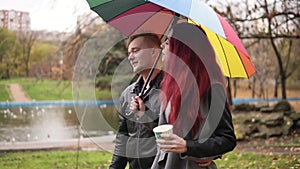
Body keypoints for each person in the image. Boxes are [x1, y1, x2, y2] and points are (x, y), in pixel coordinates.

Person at [151, 22, 237, 169]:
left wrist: (188, 147)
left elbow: (227, 138)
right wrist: (140, 112)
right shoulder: (171, 85)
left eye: (168, 41)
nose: (162, 46)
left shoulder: (212, 88)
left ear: (182, 49)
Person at [109, 33, 163, 169]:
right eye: (129, 53)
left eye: (136, 51)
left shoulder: (171, 91)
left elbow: (174, 136)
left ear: (153, 52)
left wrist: (145, 115)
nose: (130, 57)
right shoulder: (128, 94)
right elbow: (122, 139)